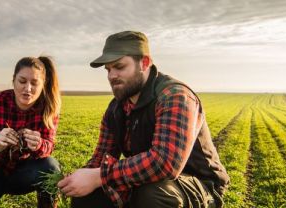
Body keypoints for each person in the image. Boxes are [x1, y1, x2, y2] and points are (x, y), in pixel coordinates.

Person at [57, 31, 230, 208]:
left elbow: (165, 163)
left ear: (144, 63)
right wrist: (75, 180)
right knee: (87, 193)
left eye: (119, 67)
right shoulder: (116, 108)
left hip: (201, 186)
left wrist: (99, 176)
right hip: (146, 181)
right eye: (108, 69)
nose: (111, 76)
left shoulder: (175, 96)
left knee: (152, 194)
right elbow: (100, 159)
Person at [0, 56, 62, 208]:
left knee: (51, 166)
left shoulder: (48, 108)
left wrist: (39, 145)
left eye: (34, 83)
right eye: (22, 81)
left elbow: (49, 146)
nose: (27, 89)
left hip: (23, 173)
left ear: (43, 84)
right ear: (13, 80)